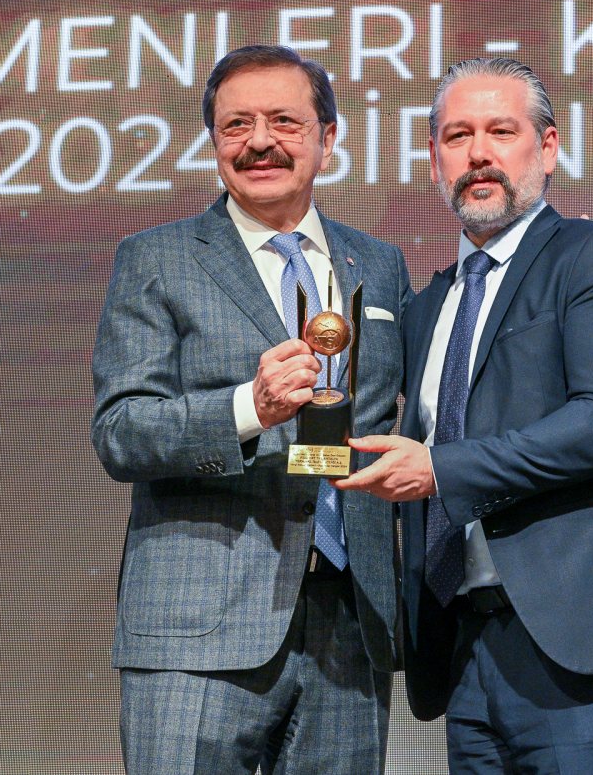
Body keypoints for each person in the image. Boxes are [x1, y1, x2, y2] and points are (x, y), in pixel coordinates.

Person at [335, 57, 593, 773]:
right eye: (457, 136)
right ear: (434, 157)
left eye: (501, 131)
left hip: (585, 649)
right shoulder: (427, 306)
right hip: (465, 648)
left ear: (548, 147)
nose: (478, 153)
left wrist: (441, 469)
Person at [91, 44, 412, 774]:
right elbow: (121, 431)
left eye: (284, 121)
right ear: (213, 142)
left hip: (349, 621)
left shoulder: (378, 263)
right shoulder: (158, 258)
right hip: (196, 629)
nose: (259, 141)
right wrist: (247, 407)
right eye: (236, 124)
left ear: (328, 137)